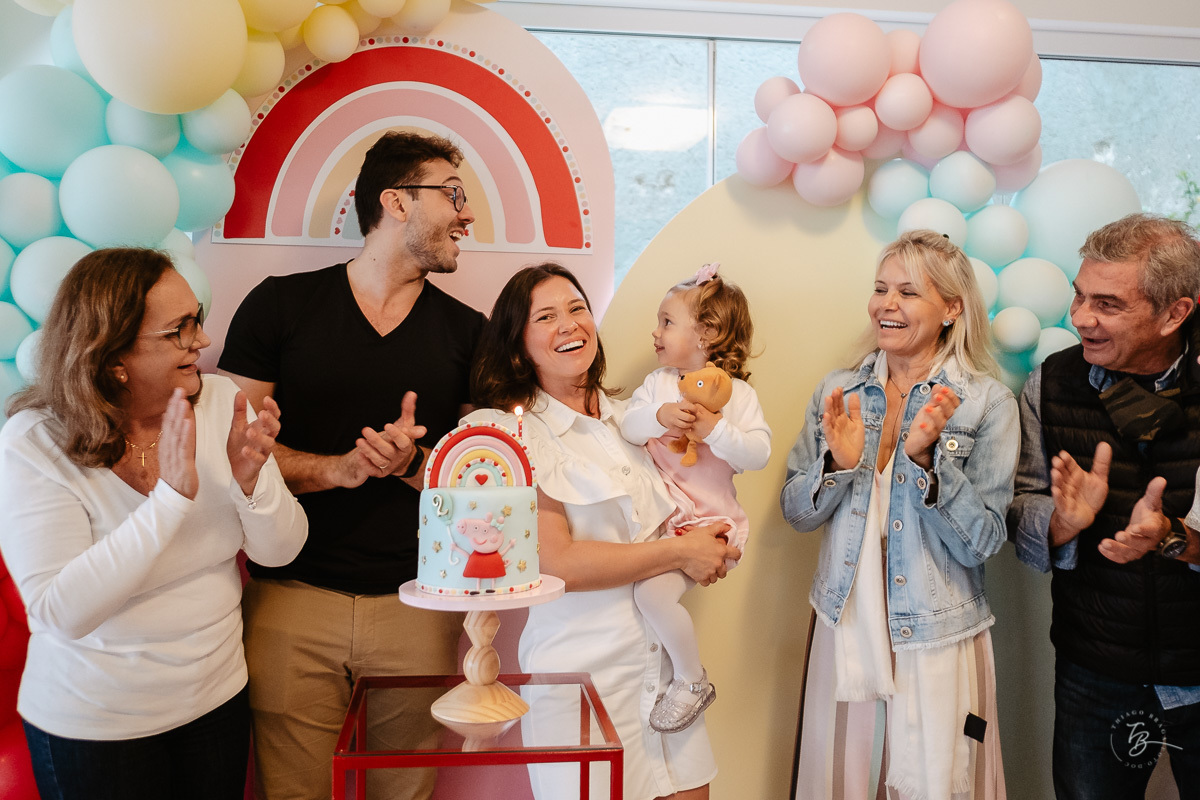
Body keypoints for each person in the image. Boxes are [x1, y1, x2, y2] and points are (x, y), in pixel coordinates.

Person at [217, 131, 485, 799]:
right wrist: (333, 469)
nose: (466, 214)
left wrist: (413, 462)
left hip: (417, 608)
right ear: (395, 202)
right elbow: (230, 449)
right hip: (290, 601)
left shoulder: (470, 332)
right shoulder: (279, 305)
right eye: (452, 194)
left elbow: (488, 481)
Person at [0, 248, 307, 800]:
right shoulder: (35, 442)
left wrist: (250, 483)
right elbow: (59, 613)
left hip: (215, 703)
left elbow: (280, 551)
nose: (202, 342)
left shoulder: (221, 405)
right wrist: (168, 503)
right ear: (113, 354)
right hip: (96, 724)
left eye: (198, 321)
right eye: (178, 331)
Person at [468, 263, 740, 800]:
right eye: (546, 317)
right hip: (581, 680)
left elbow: (697, 497)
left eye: (577, 308)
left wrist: (713, 543)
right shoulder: (513, 434)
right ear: (519, 347)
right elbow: (559, 562)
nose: (570, 324)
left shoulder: (638, 420)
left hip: (666, 678)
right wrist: (681, 550)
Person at [781, 230, 1016, 799]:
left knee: (942, 781)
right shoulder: (840, 391)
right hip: (846, 622)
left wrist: (927, 462)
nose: (887, 304)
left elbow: (982, 542)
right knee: (846, 781)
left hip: (939, 628)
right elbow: (796, 512)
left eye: (908, 292)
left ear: (952, 308)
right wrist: (836, 467)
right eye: (881, 288)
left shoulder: (985, 402)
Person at [1006, 213, 1200, 798]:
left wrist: (1174, 538)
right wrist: (1062, 522)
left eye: (1108, 304)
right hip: (1095, 672)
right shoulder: (1051, 384)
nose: (1080, 318)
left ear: (1175, 314)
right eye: (1079, 295)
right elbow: (1020, 508)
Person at [618, 262, 771, 733]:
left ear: (707, 333)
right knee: (647, 597)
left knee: (651, 596)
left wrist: (716, 430)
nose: (656, 332)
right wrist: (661, 416)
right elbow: (628, 426)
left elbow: (759, 453)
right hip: (665, 524)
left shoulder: (739, 397)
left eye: (667, 322)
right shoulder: (658, 386)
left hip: (711, 524)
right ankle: (685, 678)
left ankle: (688, 680)